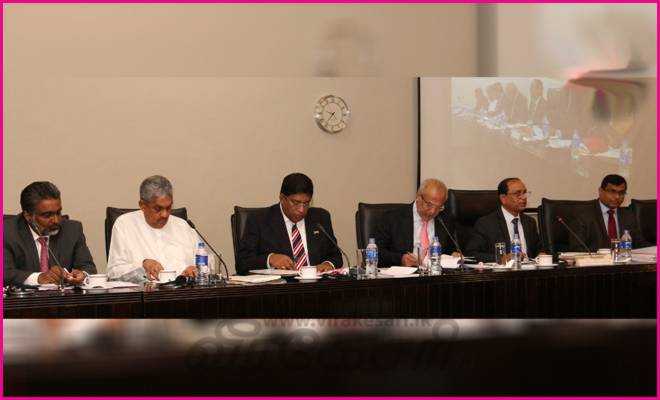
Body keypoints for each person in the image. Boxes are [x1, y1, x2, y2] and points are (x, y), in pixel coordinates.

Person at [236, 173, 342, 275]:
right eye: (296, 203)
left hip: (317, 285)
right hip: (281, 286)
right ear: (282, 198)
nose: (301, 209)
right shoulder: (259, 220)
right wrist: (270, 259)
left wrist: (329, 264)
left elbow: (335, 255)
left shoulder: (321, 217)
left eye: (306, 203)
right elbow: (242, 263)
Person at [107, 175, 200, 283]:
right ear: (142, 205)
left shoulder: (183, 226)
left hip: (184, 291)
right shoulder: (124, 224)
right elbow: (113, 272)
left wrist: (196, 270)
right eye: (158, 208)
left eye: (168, 207)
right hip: (145, 292)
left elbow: (205, 263)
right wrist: (143, 265)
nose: (165, 214)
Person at [4, 181, 96, 286]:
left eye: (58, 212)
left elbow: (88, 267)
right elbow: (5, 273)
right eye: (47, 215)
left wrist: (83, 275)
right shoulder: (7, 232)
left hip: (63, 296)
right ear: (28, 216)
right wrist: (38, 278)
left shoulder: (72, 230)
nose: (56, 220)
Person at [375, 179, 458, 268]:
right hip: (405, 274)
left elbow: (449, 249)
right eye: (429, 205)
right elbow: (377, 252)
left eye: (439, 207)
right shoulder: (392, 218)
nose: (433, 211)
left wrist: (454, 255)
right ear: (418, 197)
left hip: (435, 273)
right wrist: (400, 259)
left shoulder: (445, 219)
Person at [466, 178, 543, 262]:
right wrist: (501, 258)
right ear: (503, 198)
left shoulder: (529, 222)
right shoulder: (486, 224)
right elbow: (471, 254)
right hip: (503, 270)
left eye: (524, 193)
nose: (523, 197)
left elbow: (538, 250)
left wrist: (542, 255)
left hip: (529, 269)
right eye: (517, 194)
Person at [570, 174, 650, 251]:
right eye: (612, 192)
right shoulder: (583, 215)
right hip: (596, 260)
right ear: (600, 191)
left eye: (621, 193)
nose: (617, 197)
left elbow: (639, 244)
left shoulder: (628, 215)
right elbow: (577, 249)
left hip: (623, 259)